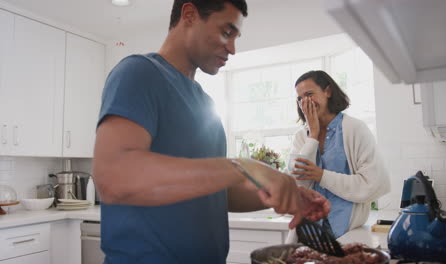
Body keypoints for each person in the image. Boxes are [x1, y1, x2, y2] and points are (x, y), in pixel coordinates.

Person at [93, 1, 330, 263]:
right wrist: (242, 167)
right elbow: (114, 177)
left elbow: (216, 193)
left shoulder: (206, 104)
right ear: (190, 15)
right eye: (226, 32)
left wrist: (280, 192)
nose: (232, 48)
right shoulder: (139, 72)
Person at [287, 70, 390, 238]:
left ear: (328, 92)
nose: (305, 102)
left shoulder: (355, 129)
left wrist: (321, 176)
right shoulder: (301, 136)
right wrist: (312, 135)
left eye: (309, 94)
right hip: (309, 233)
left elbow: (373, 184)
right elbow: (298, 185)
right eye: (300, 98)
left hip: (346, 232)